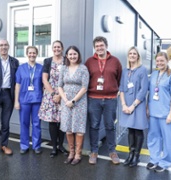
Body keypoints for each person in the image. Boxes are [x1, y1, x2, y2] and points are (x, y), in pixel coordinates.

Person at [85, 36, 122, 165]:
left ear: (106, 46)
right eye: (97, 46)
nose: (99, 48)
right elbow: (86, 79)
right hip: (93, 99)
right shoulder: (89, 62)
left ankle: (112, 151)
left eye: (102, 45)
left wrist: (110, 89)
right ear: (94, 48)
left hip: (110, 99)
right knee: (94, 126)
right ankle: (94, 151)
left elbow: (118, 78)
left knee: (110, 126)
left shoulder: (115, 61)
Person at [58, 45, 89, 165]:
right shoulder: (64, 68)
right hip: (66, 102)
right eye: (70, 54)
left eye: (74, 54)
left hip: (79, 102)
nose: (72, 56)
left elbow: (84, 87)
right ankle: (71, 152)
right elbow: (60, 86)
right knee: (68, 128)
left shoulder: (83, 69)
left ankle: (78, 154)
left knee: (79, 128)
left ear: (78, 55)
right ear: (67, 56)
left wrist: (73, 101)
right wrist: (66, 100)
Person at [119, 46, 148, 167]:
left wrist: (133, 106)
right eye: (130, 53)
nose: (132, 55)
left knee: (138, 129)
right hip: (127, 103)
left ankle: (136, 156)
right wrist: (124, 104)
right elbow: (121, 88)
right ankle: (130, 154)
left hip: (138, 104)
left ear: (138, 56)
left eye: (134, 54)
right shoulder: (125, 70)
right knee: (130, 129)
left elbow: (143, 90)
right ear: (128, 56)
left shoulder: (142, 70)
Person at [38, 40, 68, 158]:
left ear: (62, 48)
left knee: (62, 120)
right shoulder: (47, 61)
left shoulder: (67, 60)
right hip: (50, 94)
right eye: (54, 47)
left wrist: (60, 95)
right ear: (52, 48)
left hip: (64, 93)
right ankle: (54, 147)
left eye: (58, 47)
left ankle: (61, 146)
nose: (56, 49)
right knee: (52, 121)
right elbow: (45, 79)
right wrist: (53, 94)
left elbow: (68, 77)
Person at [0, 39, 19, 157]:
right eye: (1, 45)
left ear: (8, 46)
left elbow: (18, 80)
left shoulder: (14, 61)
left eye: (5, 45)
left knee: (6, 122)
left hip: (8, 94)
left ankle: (4, 145)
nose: (3, 47)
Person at [14, 46, 43, 154]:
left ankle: (36, 146)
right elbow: (17, 85)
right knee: (24, 123)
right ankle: (24, 145)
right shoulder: (21, 68)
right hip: (24, 100)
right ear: (27, 54)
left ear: (37, 54)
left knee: (36, 123)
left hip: (37, 100)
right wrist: (16, 101)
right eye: (30, 53)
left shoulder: (41, 68)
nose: (32, 55)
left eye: (34, 53)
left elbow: (44, 84)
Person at [147, 52, 171, 172]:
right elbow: (149, 92)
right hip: (153, 112)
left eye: (162, 60)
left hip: (165, 113)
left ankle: (165, 162)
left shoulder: (170, 75)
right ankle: (154, 159)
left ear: (167, 61)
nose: (159, 63)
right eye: (158, 61)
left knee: (168, 139)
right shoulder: (153, 74)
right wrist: (147, 107)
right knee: (153, 137)